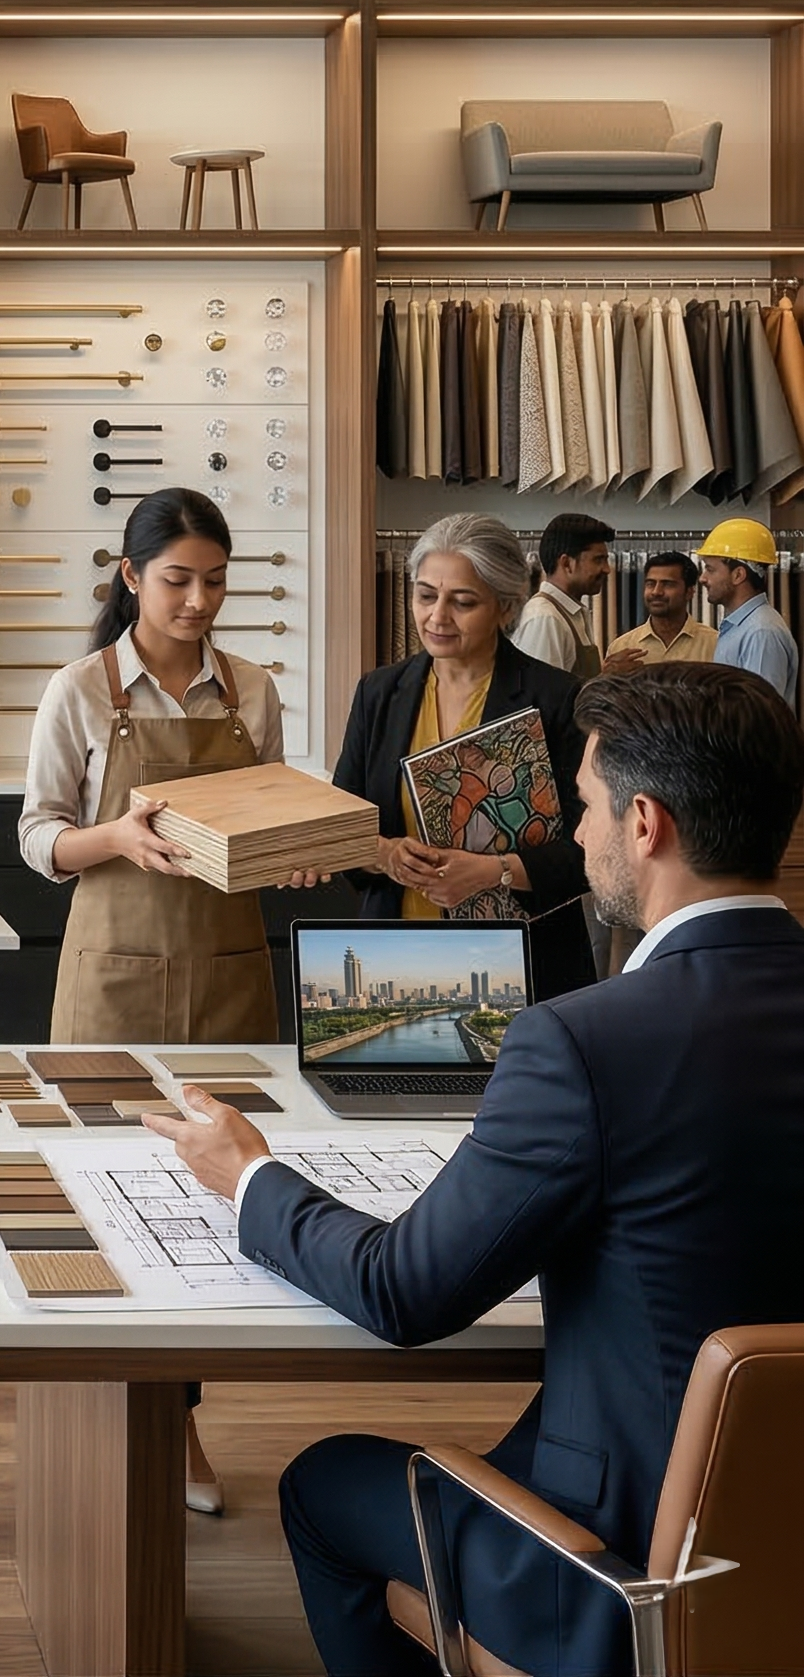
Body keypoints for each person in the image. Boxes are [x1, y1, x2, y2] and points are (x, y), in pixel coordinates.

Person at [144, 663, 804, 1676]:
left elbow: (403, 1289)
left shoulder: (584, 1042)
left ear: (646, 824)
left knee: (323, 1486)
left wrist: (248, 1176)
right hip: (782, 1552)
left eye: (584, 808)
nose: (574, 837)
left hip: (630, 1581)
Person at [18, 486, 323, 1515]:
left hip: (229, 969)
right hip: (111, 974)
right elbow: (39, 837)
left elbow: (267, 816)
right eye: (179, 579)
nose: (199, 601)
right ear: (130, 575)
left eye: (216, 581)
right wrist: (120, 838)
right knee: (106, 1192)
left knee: (216, 1202)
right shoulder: (81, 689)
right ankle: (113, 1422)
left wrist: (297, 855)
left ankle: (180, 1422)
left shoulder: (254, 689)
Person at [331, 511, 597, 1000]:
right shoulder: (379, 693)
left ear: (505, 607)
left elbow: (594, 848)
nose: (437, 617)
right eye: (426, 595)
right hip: (398, 961)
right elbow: (339, 827)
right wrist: (386, 854)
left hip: (530, 965)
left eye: (463, 602)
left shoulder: (559, 699)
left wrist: (494, 871)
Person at [698, 517, 798, 706]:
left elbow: (760, 716)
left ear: (738, 575)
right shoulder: (741, 628)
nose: (702, 578)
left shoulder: (761, 633)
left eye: (710, 569)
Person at [509, 511, 614, 679]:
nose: (607, 569)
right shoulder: (546, 618)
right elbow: (541, 699)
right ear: (567, 564)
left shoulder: (570, 614)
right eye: (598, 560)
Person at [601, 549, 715, 672]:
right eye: (650, 584)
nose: (656, 592)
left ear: (689, 592)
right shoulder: (622, 647)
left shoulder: (714, 644)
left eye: (667, 584)